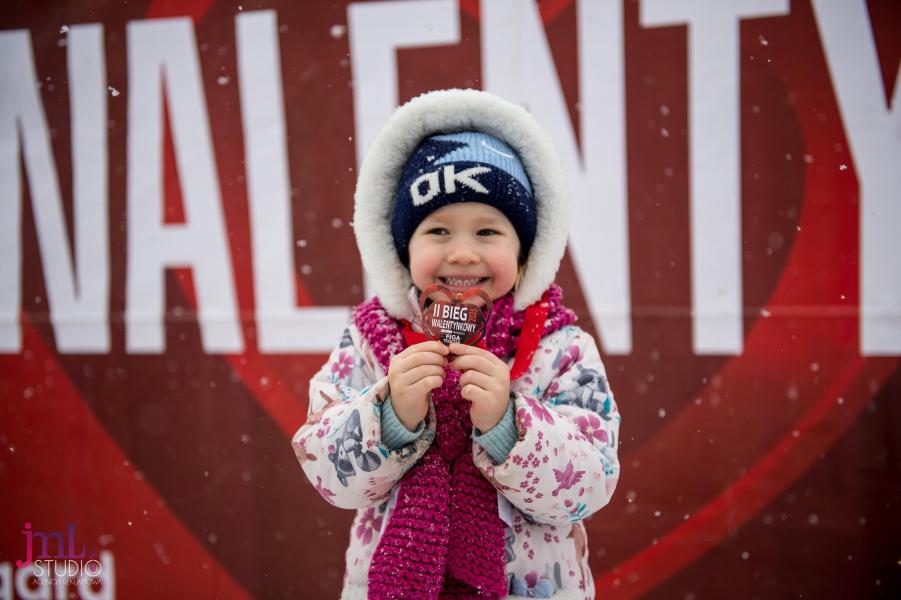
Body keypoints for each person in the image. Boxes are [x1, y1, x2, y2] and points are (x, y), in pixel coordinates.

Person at [292, 89, 621, 600]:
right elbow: (328, 473)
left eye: (488, 231)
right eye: (438, 230)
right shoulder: (369, 342)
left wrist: (510, 426)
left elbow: (591, 483)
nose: (463, 253)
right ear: (404, 250)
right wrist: (390, 414)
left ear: (525, 251)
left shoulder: (562, 348)